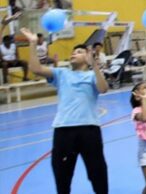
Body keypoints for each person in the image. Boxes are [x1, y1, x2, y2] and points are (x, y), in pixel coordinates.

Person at [22, 27, 109, 194]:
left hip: (89, 130)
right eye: (73, 51)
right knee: (62, 178)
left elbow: (103, 88)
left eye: (78, 51)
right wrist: (32, 43)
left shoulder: (92, 75)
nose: (73, 54)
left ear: (87, 57)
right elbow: (36, 69)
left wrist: (95, 66)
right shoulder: (61, 73)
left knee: (98, 175)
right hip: (64, 131)